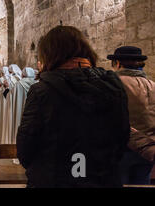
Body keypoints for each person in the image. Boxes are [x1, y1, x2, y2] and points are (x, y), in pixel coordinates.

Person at [17, 26, 129, 187]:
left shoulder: (43, 90)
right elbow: (122, 137)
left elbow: (26, 147)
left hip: (54, 180)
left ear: (49, 54)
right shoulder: (113, 85)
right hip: (102, 180)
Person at [107, 46, 155, 185]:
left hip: (122, 148)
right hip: (148, 150)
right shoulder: (153, 85)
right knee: (141, 183)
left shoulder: (112, 84)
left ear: (117, 63)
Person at [8, 67, 38, 143]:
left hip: (19, 110)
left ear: (23, 74)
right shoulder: (36, 84)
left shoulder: (18, 84)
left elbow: (10, 97)